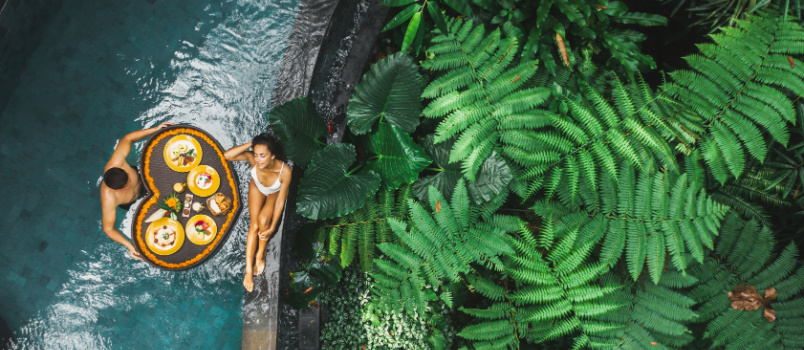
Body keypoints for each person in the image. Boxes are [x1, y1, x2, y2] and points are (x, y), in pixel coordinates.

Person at [224, 133, 292, 292]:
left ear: (273, 155)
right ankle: (248, 271)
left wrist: (272, 227)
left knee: (263, 221)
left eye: (262, 155)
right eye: (256, 154)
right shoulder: (253, 159)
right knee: (254, 226)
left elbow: (280, 201)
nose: (258, 159)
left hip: (273, 193)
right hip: (257, 187)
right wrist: (252, 143)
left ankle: (260, 255)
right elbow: (227, 155)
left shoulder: (284, 172)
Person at [100, 122, 174, 261]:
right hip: (134, 201)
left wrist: (155, 129)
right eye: (127, 183)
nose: (130, 180)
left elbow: (128, 138)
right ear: (118, 189)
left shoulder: (117, 162)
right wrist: (129, 245)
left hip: (143, 179)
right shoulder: (109, 198)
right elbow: (108, 229)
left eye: (127, 176)